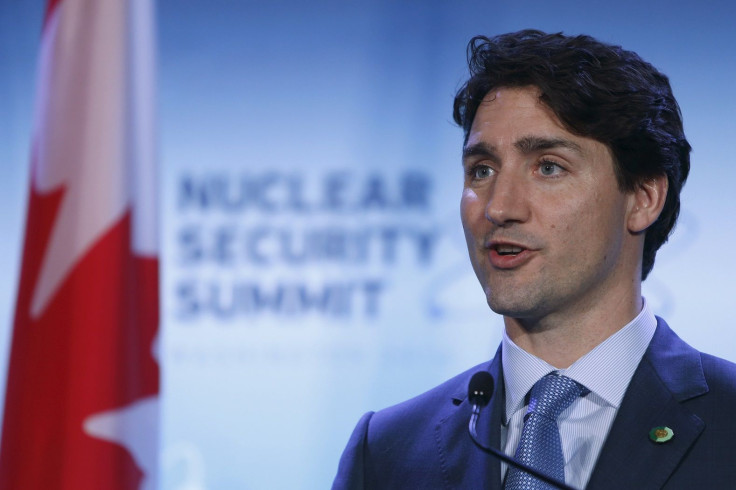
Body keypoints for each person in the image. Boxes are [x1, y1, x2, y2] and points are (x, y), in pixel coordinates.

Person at [331, 30, 736, 489]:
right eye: (481, 171)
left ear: (643, 197)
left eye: (548, 167)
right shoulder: (388, 451)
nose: (499, 207)